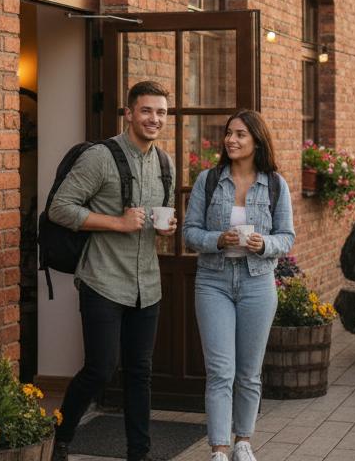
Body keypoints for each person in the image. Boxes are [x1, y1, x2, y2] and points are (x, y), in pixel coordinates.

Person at [48, 81, 180, 461]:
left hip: (147, 285)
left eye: (161, 112)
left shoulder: (165, 163)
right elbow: (60, 208)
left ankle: (139, 453)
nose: (154, 119)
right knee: (100, 369)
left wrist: (166, 229)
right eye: (146, 110)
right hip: (103, 280)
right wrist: (117, 223)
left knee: (140, 372)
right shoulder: (100, 157)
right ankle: (61, 438)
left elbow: (159, 217)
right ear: (128, 113)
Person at [184, 110, 295, 461]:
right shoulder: (208, 180)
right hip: (213, 282)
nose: (231, 140)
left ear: (257, 141)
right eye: (229, 133)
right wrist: (218, 239)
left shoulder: (275, 184)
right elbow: (189, 233)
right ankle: (219, 448)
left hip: (257, 283)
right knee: (220, 371)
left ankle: (243, 442)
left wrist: (265, 244)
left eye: (240, 134)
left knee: (248, 373)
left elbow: (287, 236)